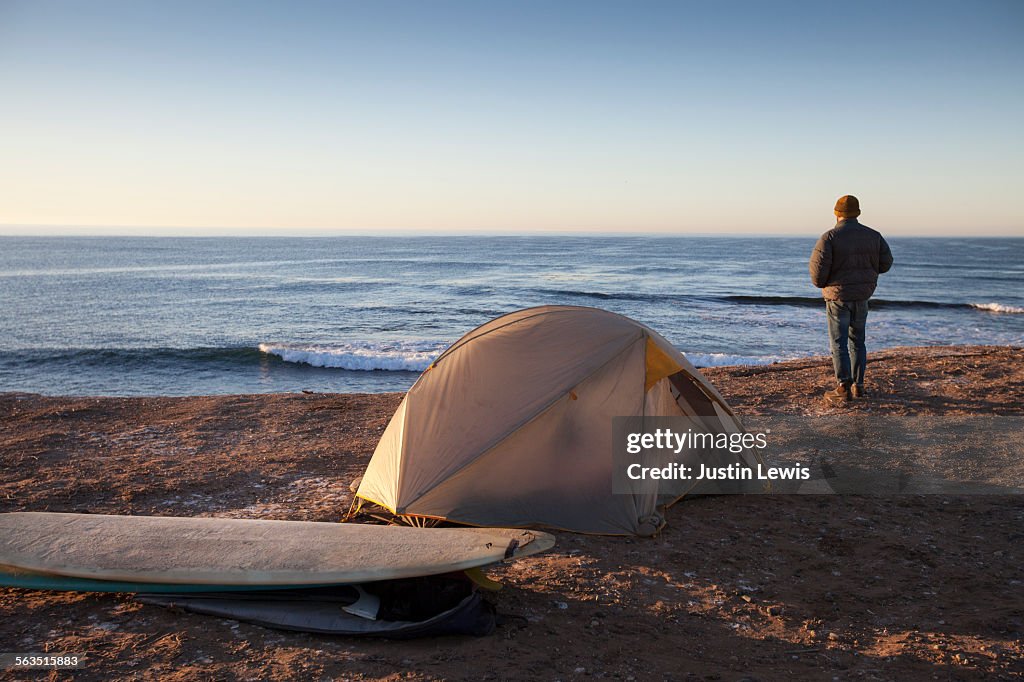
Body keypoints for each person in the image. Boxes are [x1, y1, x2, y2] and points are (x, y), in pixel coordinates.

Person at [809, 195, 893, 404]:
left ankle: (843, 387)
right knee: (858, 341)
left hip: (838, 298)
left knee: (839, 343)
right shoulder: (873, 236)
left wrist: (830, 283)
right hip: (862, 297)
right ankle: (859, 386)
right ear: (857, 213)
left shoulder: (829, 238)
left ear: (836, 213)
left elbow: (817, 277)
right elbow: (886, 264)